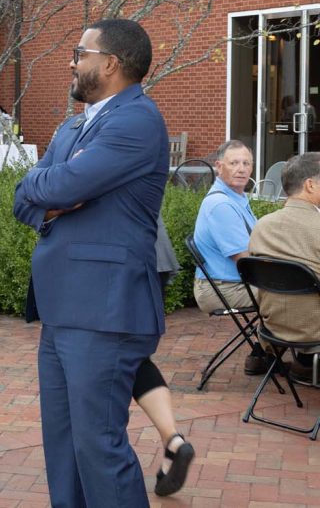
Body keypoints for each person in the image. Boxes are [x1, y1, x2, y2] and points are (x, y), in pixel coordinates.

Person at [13, 19, 168, 507]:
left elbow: (59, 186)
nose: (72, 62)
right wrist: (54, 193)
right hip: (63, 309)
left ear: (110, 64)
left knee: (98, 445)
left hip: (104, 310)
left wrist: (56, 190)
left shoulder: (136, 120)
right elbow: (25, 196)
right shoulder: (76, 124)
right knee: (64, 446)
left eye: (80, 52)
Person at [192, 140, 268, 374]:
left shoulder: (237, 198)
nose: (241, 169)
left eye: (246, 163)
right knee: (292, 296)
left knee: (294, 289)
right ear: (219, 166)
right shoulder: (221, 204)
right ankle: (275, 356)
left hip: (234, 283)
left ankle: (264, 353)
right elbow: (245, 260)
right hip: (220, 289)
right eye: (234, 163)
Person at [134, 215, 194, 498]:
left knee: (117, 356)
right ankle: (172, 440)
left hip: (122, 258)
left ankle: (105, 467)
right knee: (136, 357)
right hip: (152, 250)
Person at [248, 153, 320, 383]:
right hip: (314, 329)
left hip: (273, 328)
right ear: (310, 185)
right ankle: (306, 364)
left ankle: (305, 364)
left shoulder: (262, 226)